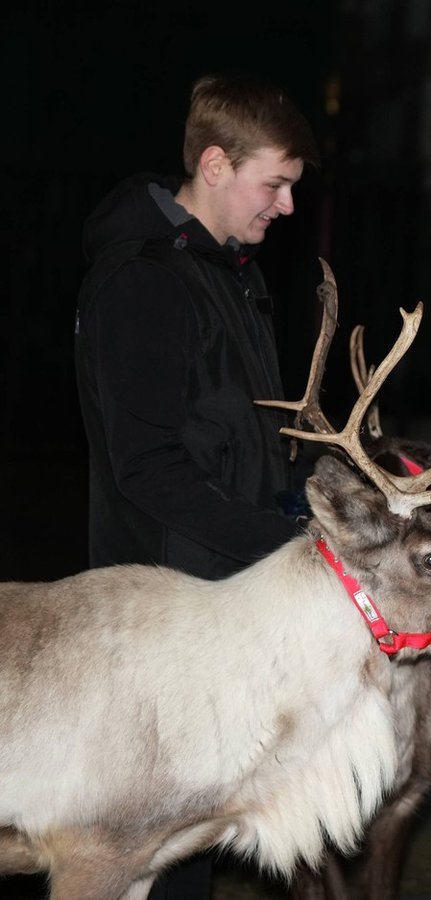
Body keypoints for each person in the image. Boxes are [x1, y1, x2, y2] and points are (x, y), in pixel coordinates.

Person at [74, 74, 319, 899]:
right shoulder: (144, 281)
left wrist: (314, 491)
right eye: (275, 183)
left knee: (196, 834)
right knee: (156, 843)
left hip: (225, 591)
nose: (285, 206)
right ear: (216, 164)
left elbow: (243, 436)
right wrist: (283, 545)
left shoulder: (232, 273)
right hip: (168, 603)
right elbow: (144, 466)